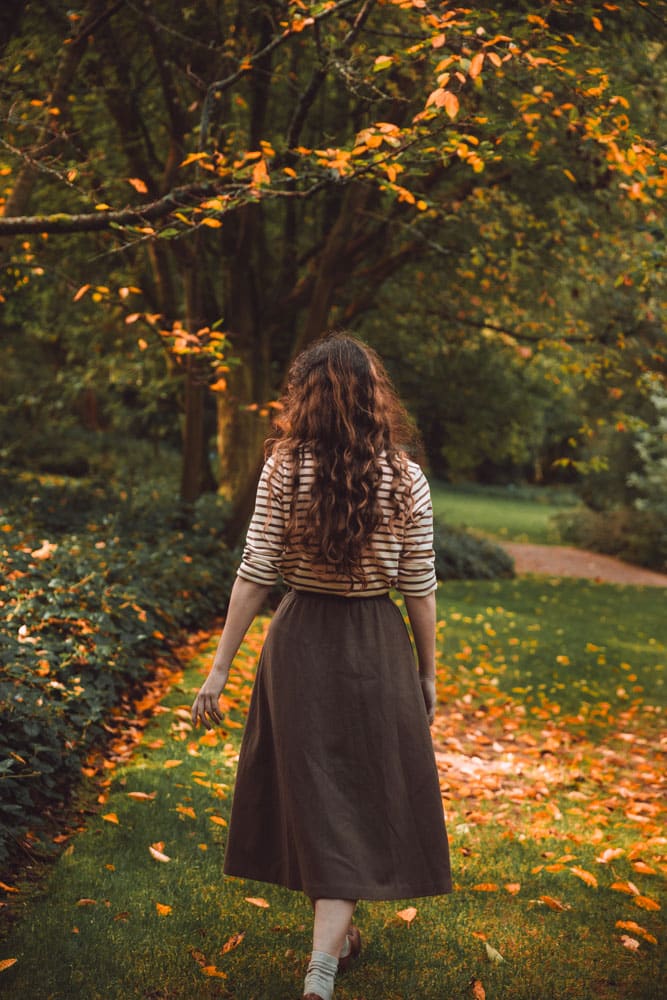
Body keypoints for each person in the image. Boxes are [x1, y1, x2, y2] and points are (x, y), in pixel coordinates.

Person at [191, 333, 452, 1000]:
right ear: (374, 398)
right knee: (358, 796)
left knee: (320, 797)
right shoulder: (405, 476)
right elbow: (417, 586)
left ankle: (325, 956)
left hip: (298, 640)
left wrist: (219, 669)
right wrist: (426, 672)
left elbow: (254, 573)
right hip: (375, 644)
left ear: (303, 395)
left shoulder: (282, 468)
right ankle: (323, 961)